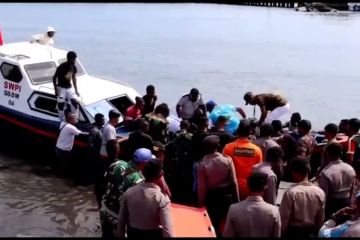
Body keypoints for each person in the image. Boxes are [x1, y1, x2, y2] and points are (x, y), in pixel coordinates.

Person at [100, 147, 152, 238]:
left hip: (104, 207)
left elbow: (104, 182)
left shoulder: (117, 164)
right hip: (117, 216)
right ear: (145, 164)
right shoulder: (139, 180)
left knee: (105, 234)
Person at [118, 159, 174, 238]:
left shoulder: (129, 192)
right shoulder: (161, 198)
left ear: (143, 173)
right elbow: (168, 230)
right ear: (161, 175)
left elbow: (121, 221)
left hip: (133, 234)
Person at [197, 135, 239, 236]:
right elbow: (234, 182)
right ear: (218, 146)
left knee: (212, 225)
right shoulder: (227, 160)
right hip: (226, 197)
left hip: (211, 198)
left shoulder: (202, 164)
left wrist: (200, 204)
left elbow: (202, 187)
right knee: (227, 224)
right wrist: (237, 200)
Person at [222, 172, 281, 237]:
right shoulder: (274, 211)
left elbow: (227, 234)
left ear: (248, 186)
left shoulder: (233, 209)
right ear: (265, 187)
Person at [279, 156, 326, 238]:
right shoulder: (320, 192)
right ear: (308, 170)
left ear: (293, 172)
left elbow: (284, 220)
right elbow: (320, 219)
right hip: (311, 232)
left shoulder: (290, 193)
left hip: (293, 233)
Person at [223, 119, 263, 200]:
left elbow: (224, 168)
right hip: (250, 189)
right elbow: (258, 171)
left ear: (237, 131)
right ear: (250, 132)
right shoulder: (257, 150)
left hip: (232, 188)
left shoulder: (228, 147)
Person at [318, 142, 356, 220]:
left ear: (327, 154)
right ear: (341, 153)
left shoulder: (326, 172)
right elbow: (353, 190)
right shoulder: (350, 169)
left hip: (332, 205)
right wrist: (351, 206)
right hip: (347, 202)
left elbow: (324, 195)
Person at [53, 51, 80, 121]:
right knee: (61, 104)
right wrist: (55, 90)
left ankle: (75, 118)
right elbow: (54, 77)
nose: (74, 60)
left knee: (75, 102)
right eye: (73, 59)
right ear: (69, 58)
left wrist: (76, 90)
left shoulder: (73, 67)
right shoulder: (61, 67)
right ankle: (61, 120)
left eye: (75, 59)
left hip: (69, 88)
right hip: (61, 88)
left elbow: (73, 78)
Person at [55, 112, 82, 179]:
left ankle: (60, 174)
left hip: (58, 147)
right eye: (75, 118)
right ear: (70, 119)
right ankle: (64, 177)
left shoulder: (63, 123)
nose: (77, 119)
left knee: (61, 163)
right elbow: (80, 134)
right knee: (65, 164)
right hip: (65, 150)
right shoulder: (71, 127)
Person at [89, 113, 105, 209]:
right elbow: (91, 145)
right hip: (96, 156)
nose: (104, 121)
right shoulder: (94, 131)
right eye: (102, 120)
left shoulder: (101, 128)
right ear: (98, 120)